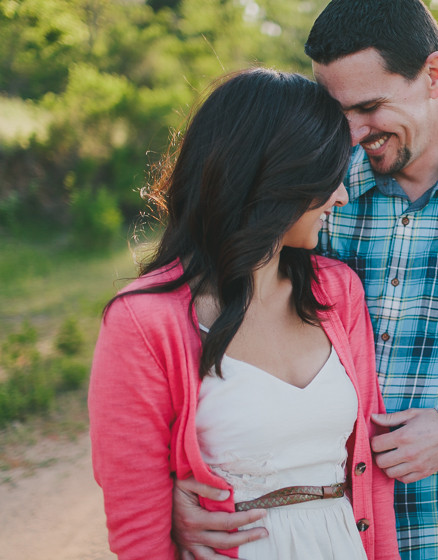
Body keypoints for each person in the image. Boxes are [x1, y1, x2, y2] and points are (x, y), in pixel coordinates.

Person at [172, 1, 438, 559]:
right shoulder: (317, 191)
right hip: (322, 535)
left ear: (434, 75)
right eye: (338, 115)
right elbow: (209, 318)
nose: (353, 135)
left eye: (371, 108)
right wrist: (175, 486)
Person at [88, 67, 399, 560]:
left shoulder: (339, 293)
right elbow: (136, 532)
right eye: (329, 176)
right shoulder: (144, 323)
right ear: (276, 178)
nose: (341, 195)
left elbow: (373, 480)